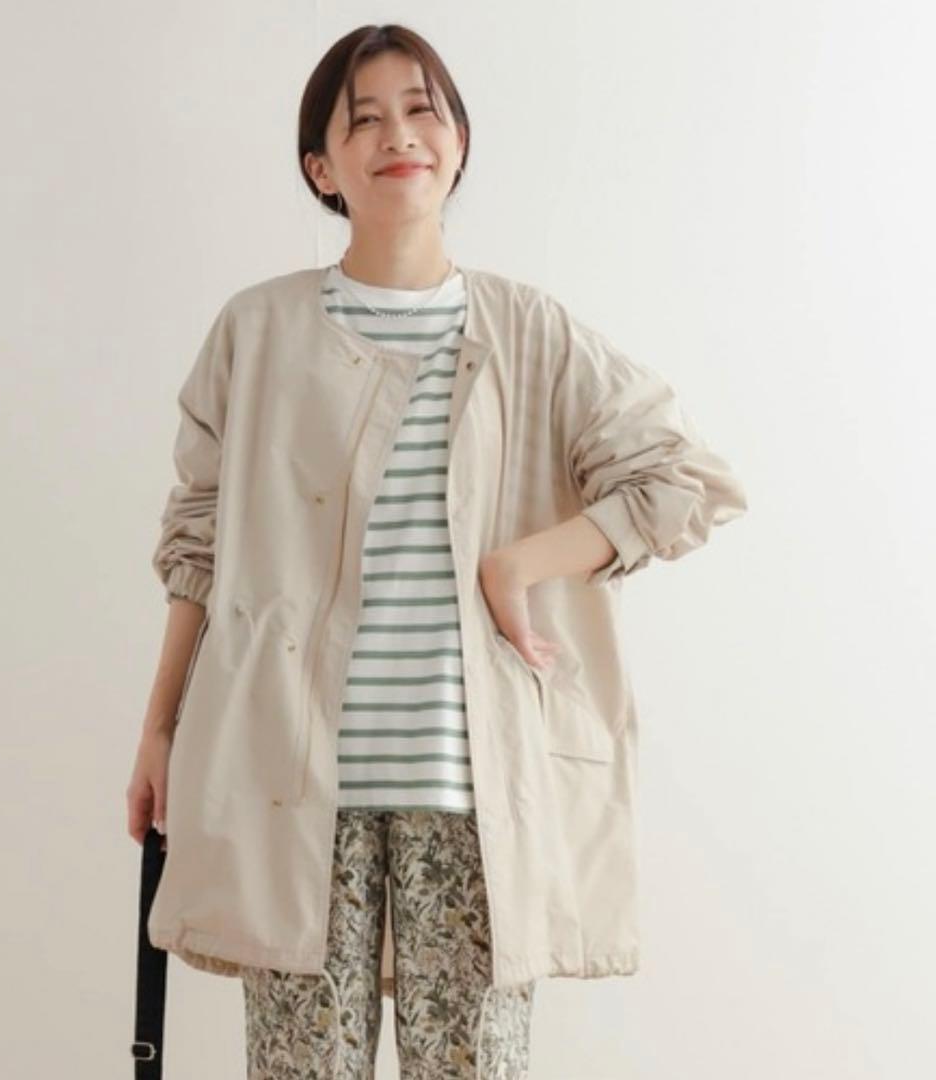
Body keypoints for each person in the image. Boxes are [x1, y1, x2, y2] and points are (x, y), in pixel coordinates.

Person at [127, 22, 748, 1080]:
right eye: (363, 119)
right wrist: (158, 730)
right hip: (289, 783)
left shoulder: (532, 332)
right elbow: (198, 546)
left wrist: (523, 564)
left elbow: (687, 479)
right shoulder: (257, 330)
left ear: (458, 141)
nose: (399, 135)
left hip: (471, 792)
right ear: (322, 168)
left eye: (422, 109)